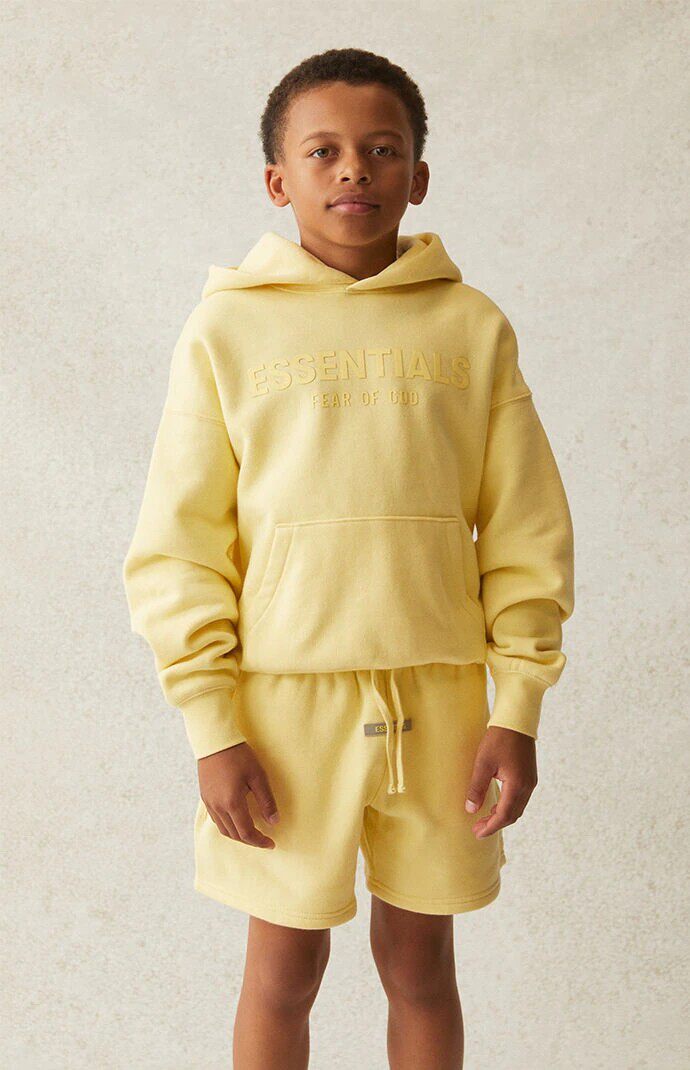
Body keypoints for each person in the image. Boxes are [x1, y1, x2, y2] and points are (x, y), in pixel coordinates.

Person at [122, 46, 575, 1069]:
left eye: (382, 149)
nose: (354, 170)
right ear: (277, 181)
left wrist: (516, 708)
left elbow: (525, 529)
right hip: (284, 711)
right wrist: (212, 725)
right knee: (283, 974)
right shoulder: (225, 331)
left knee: (421, 965)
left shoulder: (472, 328)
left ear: (420, 174)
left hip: (444, 701)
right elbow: (180, 545)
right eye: (322, 151)